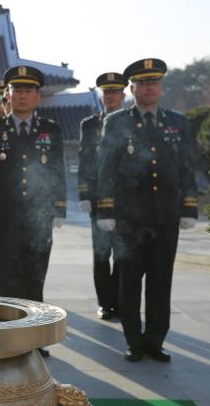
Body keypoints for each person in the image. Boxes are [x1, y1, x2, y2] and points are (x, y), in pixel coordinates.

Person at [97, 58, 198, 363]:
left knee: (160, 281)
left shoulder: (177, 122)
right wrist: (106, 211)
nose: (149, 88)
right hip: (129, 218)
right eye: (143, 83)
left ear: (161, 87)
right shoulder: (116, 122)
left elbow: (186, 166)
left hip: (165, 216)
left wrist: (189, 207)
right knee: (129, 282)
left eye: (154, 82)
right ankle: (134, 342)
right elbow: (106, 169)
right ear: (132, 88)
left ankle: (155, 340)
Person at [0, 65, 66, 357]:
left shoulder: (50, 130)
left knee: (35, 278)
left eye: (28, 90)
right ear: (6, 95)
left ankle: (34, 337)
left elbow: (57, 169)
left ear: (38, 97)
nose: (22, 95)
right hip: (3, 219)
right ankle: (9, 337)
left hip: (38, 218)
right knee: (6, 279)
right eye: (16, 90)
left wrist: (59, 208)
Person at [78, 72, 126, 320]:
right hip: (98, 199)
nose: (110, 96)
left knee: (122, 253)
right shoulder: (90, 124)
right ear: (101, 95)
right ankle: (105, 303)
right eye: (106, 92)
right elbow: (84, 160)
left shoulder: (131, 122)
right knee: (101, 253)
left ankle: (120, 301)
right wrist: (84, 193)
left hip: (127, 200)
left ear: (123, 95)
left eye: (115, 92)